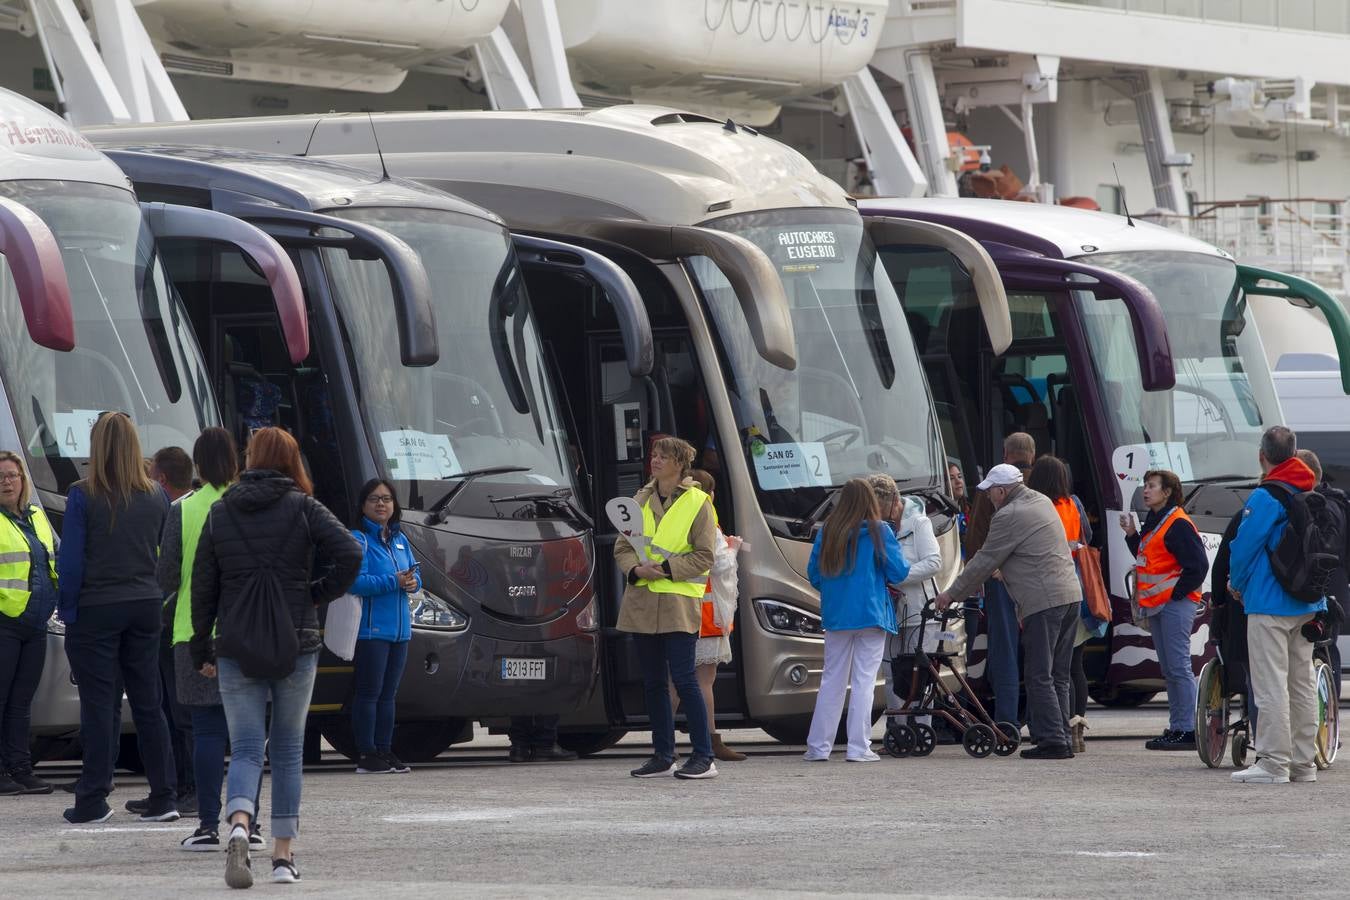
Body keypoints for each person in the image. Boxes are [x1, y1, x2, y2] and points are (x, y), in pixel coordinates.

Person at [192, 427, 362, 886]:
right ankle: (284, 857)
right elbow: (349, 551)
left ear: (251, 459)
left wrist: (200, 645)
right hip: (297, 642)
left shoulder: (221, 510)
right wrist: (314, 594)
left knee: (245, 747)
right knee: (287, 749)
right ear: (291, 460)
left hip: (235, 644)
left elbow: (203, 582)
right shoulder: (304, 507)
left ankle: (241, 824)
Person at [58, 412, 178, 823]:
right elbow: (165, 556)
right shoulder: (156, 495)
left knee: (100, 705)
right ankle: (164, 795)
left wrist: (68, 611)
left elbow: (71, 562)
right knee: (149, 703)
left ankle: (92, 797)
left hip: (95, 609)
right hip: (146, 605)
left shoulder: (82, 494)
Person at [156, 428, 266, 852]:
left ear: (198, 465)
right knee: (248, 736)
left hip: (192, 634)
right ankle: (249, 824)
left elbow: (166, 575)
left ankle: (206, 825)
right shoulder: (251, 507)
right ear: (237, 462)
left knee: (205, 732)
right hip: (249, 632)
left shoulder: (183, 509)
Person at [935, 464, 1081, 760]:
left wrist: (951, 594)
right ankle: (1061, 735)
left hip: (1043, 601)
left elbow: (985, 559)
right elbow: (1029, 551)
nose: (989, 498)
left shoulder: (1008, 515)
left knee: (1039, 673)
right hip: (1070, 595)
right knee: (1059, 674)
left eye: (990, 492)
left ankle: (1053, 741)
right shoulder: (1041, 501)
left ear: (1002, 491)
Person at [615, 436, 719, 780]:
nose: (655, 461)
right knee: (654, 683)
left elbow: (705, 554)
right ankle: (663, 754)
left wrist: (668, 569)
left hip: (677, 603)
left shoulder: (697, 502)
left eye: (663, 456)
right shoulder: (639, 499)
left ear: (679, 463)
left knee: (685, 679)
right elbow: (622, 547)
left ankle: (704, 756)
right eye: (653, 455)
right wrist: (635, 568)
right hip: (643, 602)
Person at [1228, 427, 1325, 784]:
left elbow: (1243, 548)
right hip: (1307, 600)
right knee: (1301, 683)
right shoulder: (1311, 489)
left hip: (1269, 603)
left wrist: (1235, 585)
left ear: (1262, 456)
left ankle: (1272, 763)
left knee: (1271, 685)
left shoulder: (1267, 496)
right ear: (1296, 453)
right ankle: (1304, 762)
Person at [804, 479, 908, 761]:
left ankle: (818, 747)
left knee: (831, 679)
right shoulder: (880, 531)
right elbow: (899, 572)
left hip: (837, 616)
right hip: (871, 613)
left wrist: (836, 591)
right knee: (864, 681)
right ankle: (858, 747)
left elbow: (813, 574)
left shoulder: (828, 531)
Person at [1121, 468, 1208, 752]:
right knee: (1170, 669)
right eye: (1145, 486)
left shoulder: (1177, 523)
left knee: (1179, 667)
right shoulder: (1158, 520)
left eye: (1151, 486)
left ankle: (1189, 729)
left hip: (1173, 604)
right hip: (1160, 605)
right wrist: (1132, 535)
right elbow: (1149, 557)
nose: (1145, 490)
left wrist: (1176, 594)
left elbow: (1198, 566)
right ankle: (1178, 726)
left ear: (1167, 492)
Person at [666, 469, 744, 763]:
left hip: (678, 608)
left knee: (675, 680)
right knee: (702, 681)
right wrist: (733, 548)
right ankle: (711, 742)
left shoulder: (673, 519)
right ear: (708, 495)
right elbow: (719, 564)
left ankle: (665, 742)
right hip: (705, 614)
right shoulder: (707, 520)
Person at [141, 444, 197, 818]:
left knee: (184, 712)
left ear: (161, 479)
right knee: (166, 708)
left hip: (182, 625)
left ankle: (191, 787)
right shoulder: (174, 509)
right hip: (170, 623)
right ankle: (173, 786)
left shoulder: (182, 511)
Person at [964, 433, 1036, 727]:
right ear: (1032, 454)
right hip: (1037, 582)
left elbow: (976, 536)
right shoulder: (1043, 482)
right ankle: (1041, 719)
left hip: (999, 579)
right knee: (1040, 652)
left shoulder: (992, 488)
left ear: (1006, 453)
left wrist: (974, 573)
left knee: (1003, 647)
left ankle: (1006, 719)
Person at [349, 478, 420, 775]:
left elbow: (416, 574)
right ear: (363, 505)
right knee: (369, 692)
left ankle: (384, 749)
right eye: (374, 499)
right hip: (371, 631)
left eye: (387, 499)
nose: (381, 504)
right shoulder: (358, 539)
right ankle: (366, 753)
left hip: (400, 632)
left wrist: (414, 582)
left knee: (389, 694)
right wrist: (395, 581)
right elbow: (355, 582)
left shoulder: (400, 539)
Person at [1027, 456, 1097, 753]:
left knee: (1047, 668)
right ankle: (1074, 728)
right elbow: (1088, 537)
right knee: (1071, 666)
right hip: (1077, 587)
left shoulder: (1040, 508)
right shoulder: (1074, 504)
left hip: (1049, 589)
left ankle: (1054, 729)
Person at [0, 451, 57, 796]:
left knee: (22, 702)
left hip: (35, 623)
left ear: (23, 480)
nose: (6, 482)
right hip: (5, 621)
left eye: (12, 475)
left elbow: (51, 563)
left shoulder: (36, 517)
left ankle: (20, 768)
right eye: (0, 477)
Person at [868, 474, 941, 728]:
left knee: (918, 674)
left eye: (881, 508)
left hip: (919, 609)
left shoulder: (919, 523)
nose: (878, 515)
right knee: (890, 672)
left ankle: (921, 729)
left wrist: (897, 577)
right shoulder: (877, 527)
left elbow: (933, 563)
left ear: (895, 501)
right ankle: (897, 731)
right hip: (889, 610)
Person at [1299, 448, 1346, 688]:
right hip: (1336, 583)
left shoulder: (1316, 505)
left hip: (1320, 585)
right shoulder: (1338, 502)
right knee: (1328, 649)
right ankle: (1330, 711)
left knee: (1315, 648)